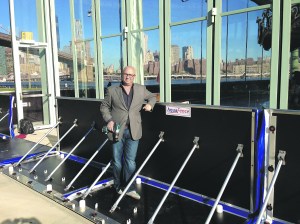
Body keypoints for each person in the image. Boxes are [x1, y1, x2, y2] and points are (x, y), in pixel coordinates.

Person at [100, 65, 156, 200]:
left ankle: (129, 188)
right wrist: (109, 120)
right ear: (122, 75)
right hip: (117, 131)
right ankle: (117, 186)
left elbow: (153, 97)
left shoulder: (141, 89)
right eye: (126, 74)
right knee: (117, 162)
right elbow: (104, 107)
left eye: (131, 75)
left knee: (130, 162)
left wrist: (150, 105)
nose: (128, 77)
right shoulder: (112, 90)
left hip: (134, 131)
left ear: (134, 77)